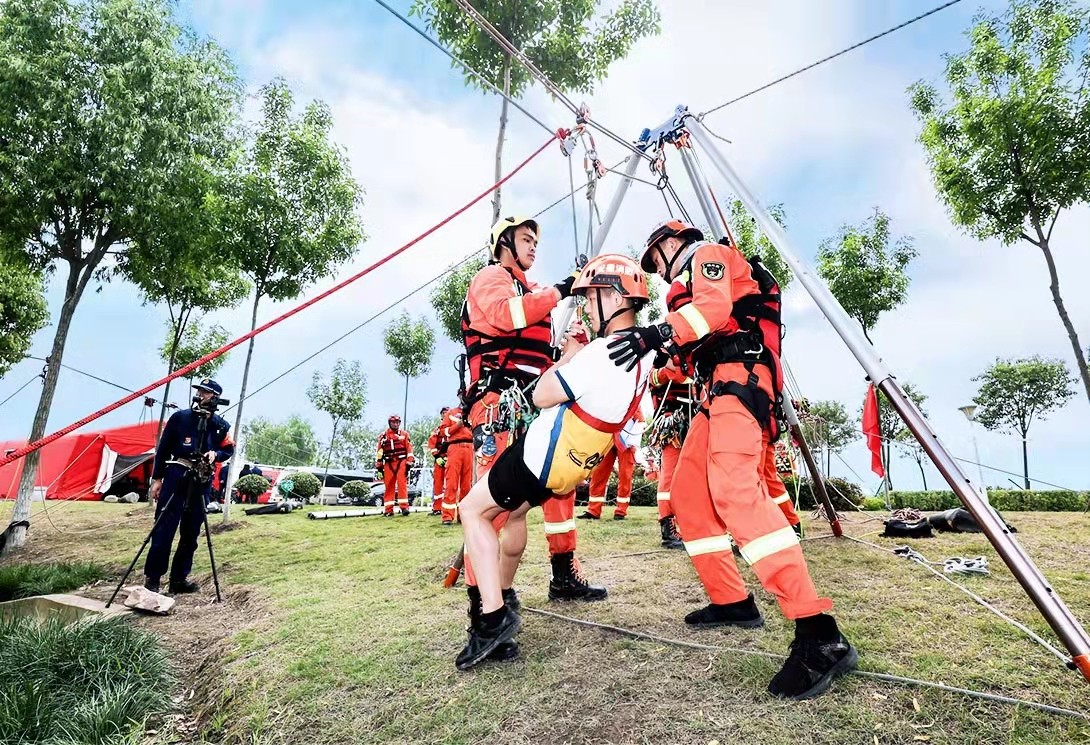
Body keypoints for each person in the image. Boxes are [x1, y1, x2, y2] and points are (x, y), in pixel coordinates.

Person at [604, 219, 857, 701]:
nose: (658, 275)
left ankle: (820, 632)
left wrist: (654, 334)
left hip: (741, 383)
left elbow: (715, 311)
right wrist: (655, 356)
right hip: (716, 389)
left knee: (737, 493)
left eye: (655, 262)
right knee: (688, 494)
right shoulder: (693, 283)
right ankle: (732, 600)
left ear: (671, 243)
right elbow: (695, 340)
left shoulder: (708, 256)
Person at [455, 254, 654, 669]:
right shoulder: (644, 354)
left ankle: (491, 618)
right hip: (571, 466)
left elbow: (541, 394)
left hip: (541, 456)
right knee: (512, 517)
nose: (586, 307)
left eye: (591, 297)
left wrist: (569, 357)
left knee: (472, 510)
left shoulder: (601, 352)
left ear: (611, 296)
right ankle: (503, 597)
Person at [459, 214, 606, 608]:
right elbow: (508, 316)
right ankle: (484, 603)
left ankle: (557, 576)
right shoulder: (491, 278)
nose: (533, 246)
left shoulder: (531, 291)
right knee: (492, 509)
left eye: (535, 241)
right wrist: (561, 290)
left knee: (555, 491)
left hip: (531, 406)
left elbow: (539, 365)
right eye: (525, 239)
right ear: (504, 243)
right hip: (498, 408)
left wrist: (569, 355)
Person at [143, 379, 234, 594]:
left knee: (191, 532)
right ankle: (153, 579)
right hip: (177, 474)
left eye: (206, 392)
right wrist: (157, 479)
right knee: (164, 527)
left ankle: (178, 580)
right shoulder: (180, 418)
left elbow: (229, 449)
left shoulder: (221, 426)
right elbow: (163, 449)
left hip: (201, 480)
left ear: (216, 397)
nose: (201, 394)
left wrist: (217, 454)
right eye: (199, 391)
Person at [646, 359, 693, 549]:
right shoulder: (659, 355)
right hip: (673, 422)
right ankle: (668, 527)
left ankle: (689, 525)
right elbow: (652, 378)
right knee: (670, 477)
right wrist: (670, 368)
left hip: (698, 420)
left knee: (693, 478)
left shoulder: (695, 353)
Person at [577, 411, 640, 520]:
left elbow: (640, 420)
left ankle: (621, 511)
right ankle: (593, 510)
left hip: (626, 439)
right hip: (606, 437)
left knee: (625, 475)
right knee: (598, 473)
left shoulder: (632, 396)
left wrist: (633, 440)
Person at [439, 406, 473, 526]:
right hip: (455, 447)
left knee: (467, 485)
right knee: (451, 482)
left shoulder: (473, 412)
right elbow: (443, 432)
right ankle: (447, 516)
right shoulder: (451, 413)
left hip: (470, 448)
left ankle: (463, 515)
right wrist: (457, 425)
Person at [376, 415, 414, 516]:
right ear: (390, 423)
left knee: (402, 485)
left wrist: (409, 463)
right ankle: (388, 510)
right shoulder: (383, 436)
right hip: (388, 463)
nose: (396, 424)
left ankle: (404, 508)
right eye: (394, 422)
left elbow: (409, 449)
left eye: (397, 422)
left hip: (401, 462)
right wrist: (379, 466)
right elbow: (379, 451)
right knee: (389, 486)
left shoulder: (404, 434)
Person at [428, 407, 450, 515]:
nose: (445, 415)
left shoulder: (454, 429)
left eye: (447, 413)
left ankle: (451, 508)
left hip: (452, 458)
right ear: (441, 415)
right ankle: (437, 508)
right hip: (440, 459)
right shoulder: (437, 430)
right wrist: (437, 457)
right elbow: (431, 444)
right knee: (438, 484)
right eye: (444, 413)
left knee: (452, 484)